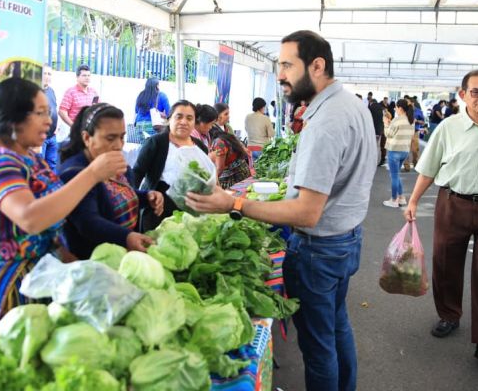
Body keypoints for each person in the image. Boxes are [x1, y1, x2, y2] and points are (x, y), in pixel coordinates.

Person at [185, 30, 376, 391]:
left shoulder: (326, 121)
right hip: (346, 240)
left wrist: (235, 203)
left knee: (319, 347)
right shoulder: (352, 106)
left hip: (319, 250)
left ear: (317, 65)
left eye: (288, 64)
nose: (281, 74)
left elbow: (306, 213)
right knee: (337, 328)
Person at [0, 77, 127, 333]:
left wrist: (70, 261)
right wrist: (92, 173)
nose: (49, 121)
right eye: (40, 113)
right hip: (6, 283)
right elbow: (30, 218)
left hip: (42, 273)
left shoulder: (30, 158)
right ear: (13, 118)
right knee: (10, 359)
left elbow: (49, 220)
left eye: (48, 113)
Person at [404, 69, 478, 368]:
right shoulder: (447, 128)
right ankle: (449, 315)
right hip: (453, 203)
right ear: (463, 94)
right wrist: (414, 200)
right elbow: (428, 168)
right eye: (476, 92)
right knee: (446, 262)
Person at [58, 103, 164, 259]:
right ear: (87, 138)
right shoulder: (75, 173)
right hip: (89, 262)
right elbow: (88, 222)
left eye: (122, 137)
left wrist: (146, 196)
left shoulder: (120, 168)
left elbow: (118, 194)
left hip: (121, 257)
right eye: (110, 138)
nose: (119, 145)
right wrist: (127, 237)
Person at [132, 100, 209, 208]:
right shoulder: (156, 142)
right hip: (158, 206)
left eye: (189, 118)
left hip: (188, 208)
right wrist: (131, 200)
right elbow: (137, 172)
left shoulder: (200, 147)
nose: (184, 122)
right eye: (179, 117)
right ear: (169, 120)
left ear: (194, 122)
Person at [382, 99, 414, 208]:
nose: (395, 109)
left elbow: (388, 134)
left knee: (394, 176)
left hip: (394, 150)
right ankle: (401, 198)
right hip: (404, 151)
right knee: (396, 175)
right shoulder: (411, 120)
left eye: (396, 107)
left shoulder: (397, 120)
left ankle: (394, 200)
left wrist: (386, 124)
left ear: (400, 108)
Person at [40, 64, 58, 170]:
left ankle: (53, 187)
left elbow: (55, 109)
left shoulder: (51, 91)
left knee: (52, 166)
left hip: (52, 137)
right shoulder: (36, 92)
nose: (47, 76)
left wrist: (57, 125)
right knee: (40, 167)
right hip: (41, 138)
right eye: (45, 73)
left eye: (49, 74)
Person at [403, 98, 426, 172]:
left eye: (408, 102)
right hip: (406, 132)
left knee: (415, 150)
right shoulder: (404, 111)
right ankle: (406, 166)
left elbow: (423, 122)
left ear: (412, 103)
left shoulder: (419, 111)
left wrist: (417, 121)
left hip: (415, 132)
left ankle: (416, 164)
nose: (407, 104)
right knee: (406, 150)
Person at [368, 98, 385, 165]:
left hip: (373, 130)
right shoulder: (381, 108)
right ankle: (379, 160)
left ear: (371, 102)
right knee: (379, 146)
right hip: (381, 129)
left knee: (372, 146)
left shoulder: (370, 108)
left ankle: (372, 161)